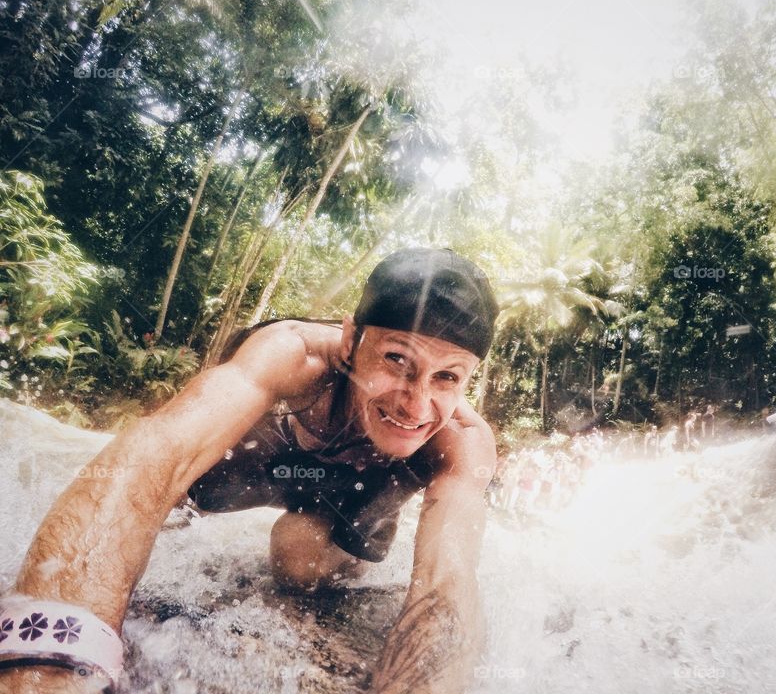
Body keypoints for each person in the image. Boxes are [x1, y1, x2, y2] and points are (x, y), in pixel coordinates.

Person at [0, 248, 499, 694]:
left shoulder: (461, 442)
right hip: (264, 462)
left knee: (296, 558)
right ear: (350, 341)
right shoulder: (294, 356)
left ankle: (333, 529)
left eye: (447, 377)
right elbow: (154, 455)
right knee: (189, 480)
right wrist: (48, 658)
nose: (416, 403)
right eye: (396, 360)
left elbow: (446, 583)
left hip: (356, 496)